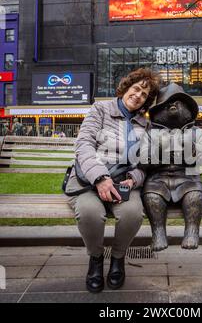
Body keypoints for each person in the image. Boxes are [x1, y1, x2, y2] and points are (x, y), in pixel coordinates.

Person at [64, 68, 160, 293]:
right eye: (136, 89)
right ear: (126, 87)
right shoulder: (100, 109)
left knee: (132, 214)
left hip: (123, 184)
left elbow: (144, 164)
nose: (138, 95)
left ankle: (117, 258)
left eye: (144, 95)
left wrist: (133, 179)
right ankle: (96, 259)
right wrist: (100, 177)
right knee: (89, 212)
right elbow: (84, 145)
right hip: (90, 181)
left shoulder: (145, 125)